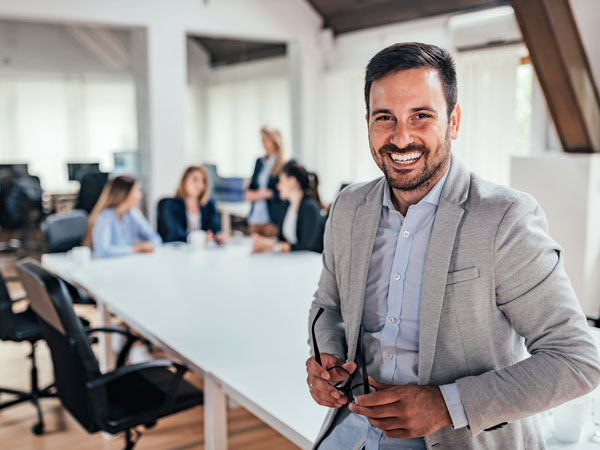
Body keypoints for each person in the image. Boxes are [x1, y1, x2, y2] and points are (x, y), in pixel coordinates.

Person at [306, 42, 600, 450]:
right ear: (368, 123)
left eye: (421, 116)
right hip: (351, 431)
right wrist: (328, 359)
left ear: (454, 121)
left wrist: (447, 405)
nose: (401, 136)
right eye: (385, 118)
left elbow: (577, 359)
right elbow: (328, 304)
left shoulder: (505, 218)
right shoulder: (348, 207)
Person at [252, 162, 325, 254]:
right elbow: (282, 239)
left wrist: (274, 246)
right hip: (293, 261)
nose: (278, 186)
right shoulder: (286, 206)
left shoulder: (310, 207)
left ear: (292, 182)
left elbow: (307, 246)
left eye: (281, 181)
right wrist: (265, 242)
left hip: (311, 261)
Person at [83, 175, 161, 258]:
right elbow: (102, 251)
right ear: (125, 193)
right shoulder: (104, 217)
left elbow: (156, 238)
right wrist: (136, 249)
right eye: (137, 190)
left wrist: (149, 245)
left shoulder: (134, 214)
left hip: (126, 262)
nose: (140, 195)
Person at [157, 165, 226, 244]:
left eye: (203, 181)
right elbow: (173, 234)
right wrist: (201, 238)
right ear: (184, 181)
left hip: (202, 252)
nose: (200, 185)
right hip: (175, 251)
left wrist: (218, 237)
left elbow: (215, 230)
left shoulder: (208, 205)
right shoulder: (167, 205)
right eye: (195, 180)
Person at [245, 126, 287, 237]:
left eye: (265, 140)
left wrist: (267, 194)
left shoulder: (284, 163)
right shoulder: (259, 162)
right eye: (262, 140)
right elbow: (252, 186)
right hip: (255, 218)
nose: (263, 144)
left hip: (272, 219)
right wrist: (251, 194)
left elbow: (284, 192)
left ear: (275, 141)